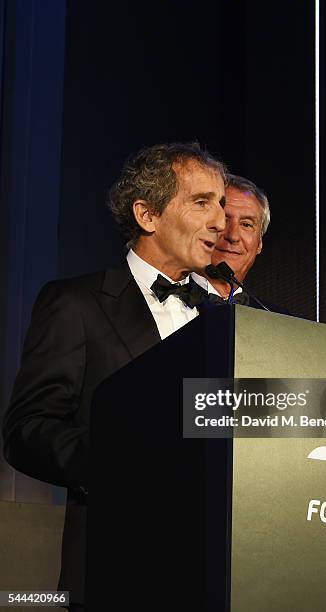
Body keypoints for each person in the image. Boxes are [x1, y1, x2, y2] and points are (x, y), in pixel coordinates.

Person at [2, 142, 226, 611]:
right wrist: (122, 466)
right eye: (202, 202)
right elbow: (28, 430)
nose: (221, 222)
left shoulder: (226, 319)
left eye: (222, 204)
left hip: (222, 575)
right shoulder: (76, 304)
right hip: (119, 572)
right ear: (147, 214)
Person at [193, 173, 288, 314]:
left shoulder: (279, 321)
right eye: (224, 219)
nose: (233, 236)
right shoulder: (166, 301)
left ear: (259, 244)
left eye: (246, 224)